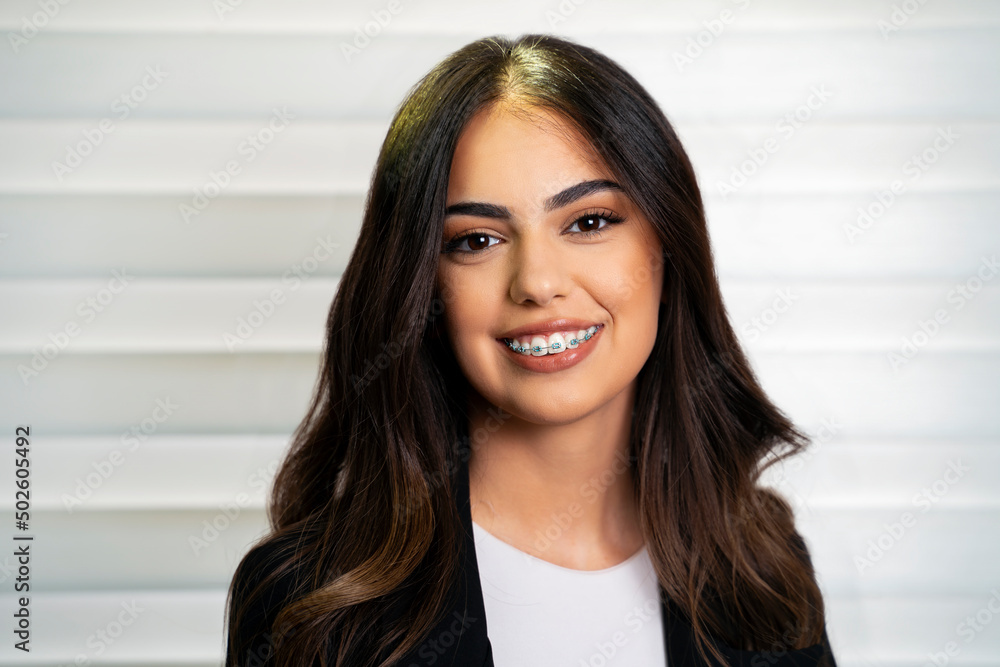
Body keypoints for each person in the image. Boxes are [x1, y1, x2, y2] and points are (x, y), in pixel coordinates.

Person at [225, 33, 837, 667]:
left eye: (589, 222)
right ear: (422, 288)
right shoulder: (308, 607)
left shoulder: (766, 570)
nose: (538, 282)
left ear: (667, 250)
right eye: (477, 240)